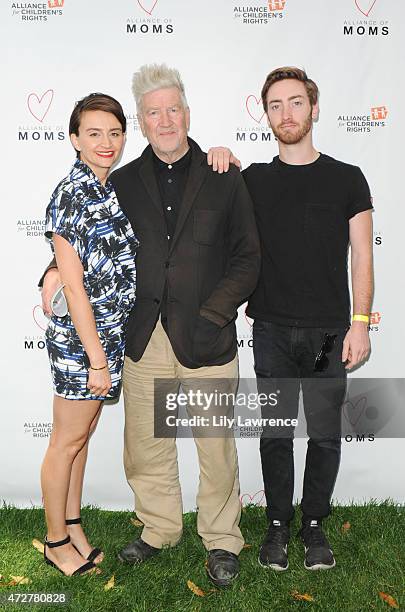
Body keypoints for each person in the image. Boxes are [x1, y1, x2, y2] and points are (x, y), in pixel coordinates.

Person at [41, 64, 261, 587]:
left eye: (172, 109)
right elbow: (84, 244)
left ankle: (222, 537)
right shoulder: (119, 180)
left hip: (207, 337)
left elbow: (248, 257)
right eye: (152, 112)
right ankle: (159, 527)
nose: (164, 120)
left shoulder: (224, 173)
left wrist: (215, 312)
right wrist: (49, 270)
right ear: (141, 121)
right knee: (145, 443)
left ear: (187, 113)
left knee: (215, 444)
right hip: (141, 337)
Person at [242, 67, 373, 571]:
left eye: (296, 103)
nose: (286, 114)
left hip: (329, 331)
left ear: (314, 109)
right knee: (275, 431)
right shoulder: (251, 179)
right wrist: (221, 157)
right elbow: (207, 199)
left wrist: (360, 322)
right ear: (267, 115)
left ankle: (313, 525)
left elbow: (362, 254)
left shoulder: (347, 178)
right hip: (271, 329)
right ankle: (276, 526)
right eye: (275, 105)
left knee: (323, 434)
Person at [41, 93, 138, 576]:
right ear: (75, 138)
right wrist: (97, 360)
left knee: (82, 437)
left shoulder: (109, 188)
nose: (106, 142)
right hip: (84, 343)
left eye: (115, 132)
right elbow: (75, 288)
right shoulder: (71, 192)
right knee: (66, 440)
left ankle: (74, 525)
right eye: (94, 133)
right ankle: (56, 540)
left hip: (110, 337)